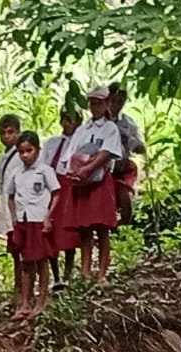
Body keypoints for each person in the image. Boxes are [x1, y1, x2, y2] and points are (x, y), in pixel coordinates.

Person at [66, 88, 122, 281]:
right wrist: (74, 171)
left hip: (99, 182)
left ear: (107, 104)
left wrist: (88, 168)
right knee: (84, 228)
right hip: (82, 184)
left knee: (102, 227)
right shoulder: (83, 130)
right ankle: (85, 270)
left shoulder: (109, 128)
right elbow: (71, 153)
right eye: (92, 103)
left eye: (99, 103)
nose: (95, 107)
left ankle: (102, 273)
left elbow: (106, 152)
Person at [6, 132, 60, 319]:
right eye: (21, 152)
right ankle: (25, 302)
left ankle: (41, 300)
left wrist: (48, 217)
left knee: (42, 261)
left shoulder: (45, 171)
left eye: (29, 150)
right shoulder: (16, 173)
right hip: (23, 220)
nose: (25, 155)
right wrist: (13, 217)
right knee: (26, 262)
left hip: (39, 219)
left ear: (37, 150)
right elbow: (11, 197)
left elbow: (56, 194)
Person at [42, 107, 81, 286]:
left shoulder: (81, 143)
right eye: (64, 119)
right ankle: (56, 277)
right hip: (52, 187)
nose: (67, 123)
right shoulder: (52, 142)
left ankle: (68, 276)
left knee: (69, 231)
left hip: (70, 188)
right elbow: (43, 165)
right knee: (51, 230)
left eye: (71, 119)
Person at [108, 83, 146, 226]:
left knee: (125, 193)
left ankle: (124, 225)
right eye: (113, 101)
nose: (116, 105)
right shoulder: (98, 122)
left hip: (122, 165)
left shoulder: (128, 123)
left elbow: (140, 147)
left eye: (120, 102)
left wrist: (134, 144)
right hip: (104, 166)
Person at [0, 114, 22, 254]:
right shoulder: (1, 158)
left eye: (10, 132)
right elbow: (0, 187)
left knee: (24, 251)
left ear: (18, 133)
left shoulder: (22, 156)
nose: (6, 136)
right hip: (7, 208)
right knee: (15, 251)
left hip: (20, 210)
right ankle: (18, 277)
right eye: (3, 133)